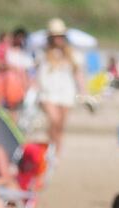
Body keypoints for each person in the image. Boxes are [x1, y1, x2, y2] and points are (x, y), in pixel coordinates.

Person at [37, 19, 82, 164]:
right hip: (48, 92)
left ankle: (56, 151)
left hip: (66, 92)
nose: (58, 38)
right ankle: (51, 146)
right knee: (54, 120)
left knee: (60, 125)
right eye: (56, 36)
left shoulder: (71, 54)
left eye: (60, 35)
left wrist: (84, 92)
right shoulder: (43, 53)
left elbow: (77, 74)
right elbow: (36, 74)